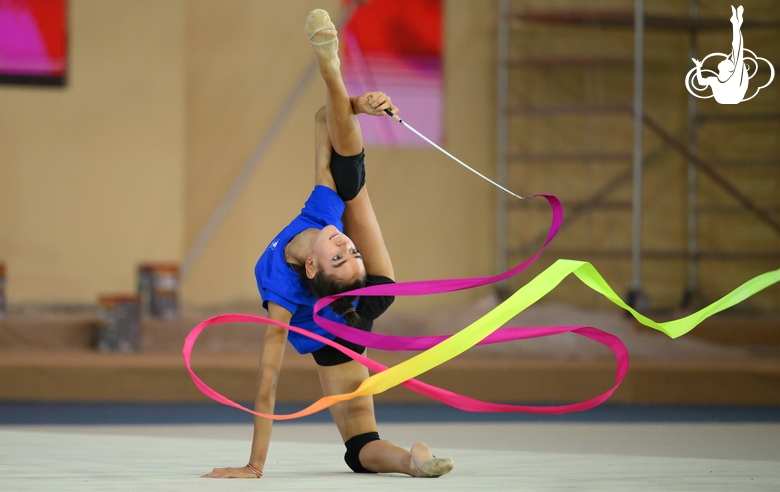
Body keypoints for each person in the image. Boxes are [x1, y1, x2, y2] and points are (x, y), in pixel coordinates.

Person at [203, 9, 454, 479]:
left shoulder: (293, 277)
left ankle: (411, 461)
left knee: (359, 449)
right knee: (348, 178)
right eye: (349, 249)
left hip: (347, 321)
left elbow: (267, 382)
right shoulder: (322, 226)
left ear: (315, 269)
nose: (345, 241)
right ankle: (332, 70)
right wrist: (357, 104)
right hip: (368, 296)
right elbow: (328, 119)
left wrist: (254, 466)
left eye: (341, 251)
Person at [692, 5, 748, 104]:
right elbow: (701, 82)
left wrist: (736, 25)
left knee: (737, 51)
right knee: (737, 52)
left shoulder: (731, 78)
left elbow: (737, 48)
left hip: (732, 95)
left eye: (727, 61)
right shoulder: (717, 80)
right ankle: (736, 23)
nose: (725, 59)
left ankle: (736, 23)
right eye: (728, 60)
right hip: (730, 96)